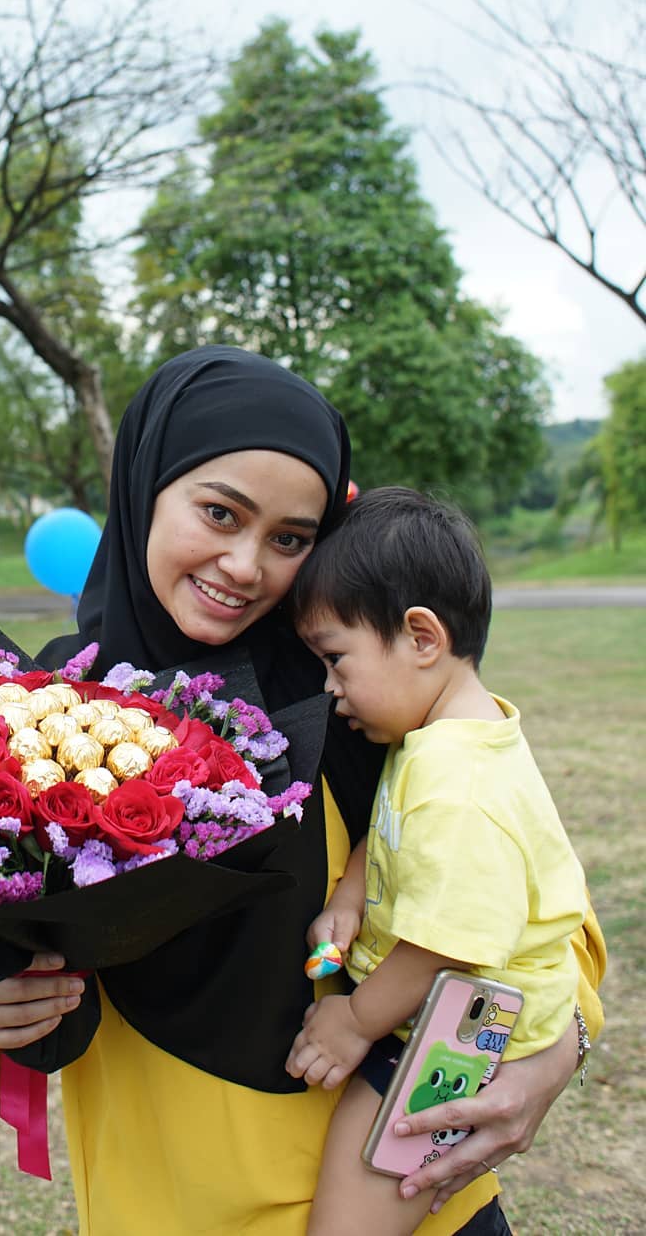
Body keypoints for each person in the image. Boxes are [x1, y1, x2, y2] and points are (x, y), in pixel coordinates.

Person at [0, 346, 605, 1235]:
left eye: (290, 538)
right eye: (219, 512)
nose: (245, 565)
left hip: (407, 1194)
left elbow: (536, 901)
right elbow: (5, 955)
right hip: (179, 1199)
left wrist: (557, 1050)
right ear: (145, 486)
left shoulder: (360, 689)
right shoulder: (36, 725)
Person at [283, 486, 588, 1235]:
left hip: (458, 1037)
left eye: (335, 658)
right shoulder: (441, 739)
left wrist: (353, 1021)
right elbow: (388, 829)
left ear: (422, 637)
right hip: (435, 1010)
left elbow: (445, 944)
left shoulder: (457, 786)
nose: (329, 688)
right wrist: (353, 893)